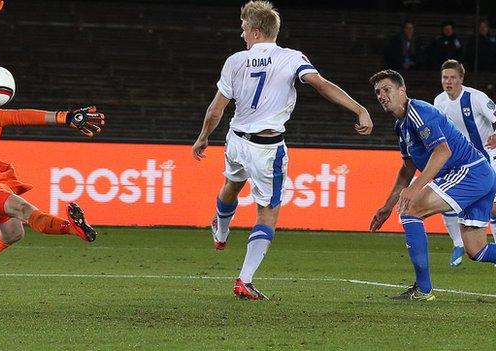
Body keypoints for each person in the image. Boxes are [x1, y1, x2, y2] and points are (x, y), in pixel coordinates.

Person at [192, 0, 373, 301]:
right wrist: (359, 108)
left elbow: (215, 110)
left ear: (256, 30)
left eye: (244, 29)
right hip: (266, 146)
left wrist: (202, 138)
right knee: (268, 212)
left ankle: (221, 229)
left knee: (232, 184)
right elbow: (321, 85)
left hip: (236, 139)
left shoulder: (235, 61)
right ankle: (244, 280)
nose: (242, 35)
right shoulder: (291, 58)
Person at [0, 0, 106, 302]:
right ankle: (72, 229)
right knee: (21, 209)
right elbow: (15, 116)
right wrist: (64, 117)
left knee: (13, 233)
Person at [369, 69, 496, 301]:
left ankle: (423, 289)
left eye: (386, 89)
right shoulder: (401, 125)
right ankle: (423, 289)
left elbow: (442, 151)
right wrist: (387, 206)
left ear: (402, 90)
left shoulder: (418, 112)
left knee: (410, 210)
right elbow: (407, 169)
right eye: (378, 92)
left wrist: (415, 190)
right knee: (477, 251)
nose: (381, 95)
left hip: (469, 173)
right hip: (478, 175)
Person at [434, 59, 496, 266]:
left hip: (489, 158)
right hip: (462, 164)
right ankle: (458, 243)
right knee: (445, 200)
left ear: (461, 79)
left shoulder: (476, 98)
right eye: (445, 77)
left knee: (494, 208)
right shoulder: (439, 102)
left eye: (452, 77)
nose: (448, 81)